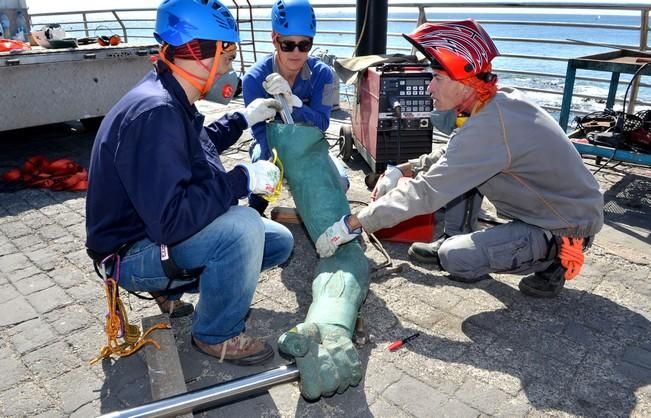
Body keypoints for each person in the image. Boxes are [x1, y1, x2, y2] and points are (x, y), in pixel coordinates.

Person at [315, 19, 604, 298]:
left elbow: (427, 193)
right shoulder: (493, 102)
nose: (429, 88)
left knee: (457, 258)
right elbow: (455, 154)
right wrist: (402, 169)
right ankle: (460, 232)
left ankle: (555, 259)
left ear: (464, 80)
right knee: (459, 179)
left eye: (437, 79)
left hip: (567, 224)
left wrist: (353, 224)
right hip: (557, 206)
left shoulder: (492, 126)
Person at [85, 0, 294, 366]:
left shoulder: (167, 93)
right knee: (243, 227)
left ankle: (169, 287)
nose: (230, 70)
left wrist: (242, 118)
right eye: (227, 59)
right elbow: (171, 221)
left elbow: (197, 145)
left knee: (277, 241)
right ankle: (215, 333)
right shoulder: (158, 112)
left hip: (151, 235)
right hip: (129, 253)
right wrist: (241, 180)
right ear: (202, 54)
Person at [242, 0, 348, 216]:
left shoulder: (326, 75)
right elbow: (259, 131)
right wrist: (279, 162)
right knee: (264, 178)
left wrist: (294, 103)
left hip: (309, 144)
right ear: (274, 39)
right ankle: (255, 213)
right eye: (288, 44)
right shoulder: (252, 79)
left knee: (340, 184)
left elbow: (322, 123)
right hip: (270, 144)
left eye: (304, 45)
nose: (296, 52)